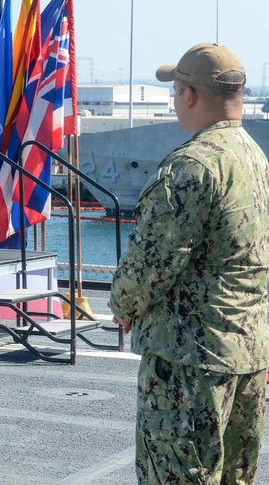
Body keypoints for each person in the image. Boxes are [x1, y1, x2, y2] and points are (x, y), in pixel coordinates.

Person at [110, 43, 269, 484]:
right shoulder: (256, 159)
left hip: (189, 362)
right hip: (248, 353)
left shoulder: (193, 165)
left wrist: (123, 307)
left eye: (176, 89)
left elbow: (148, 266)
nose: (175, 98)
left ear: (191, 96)